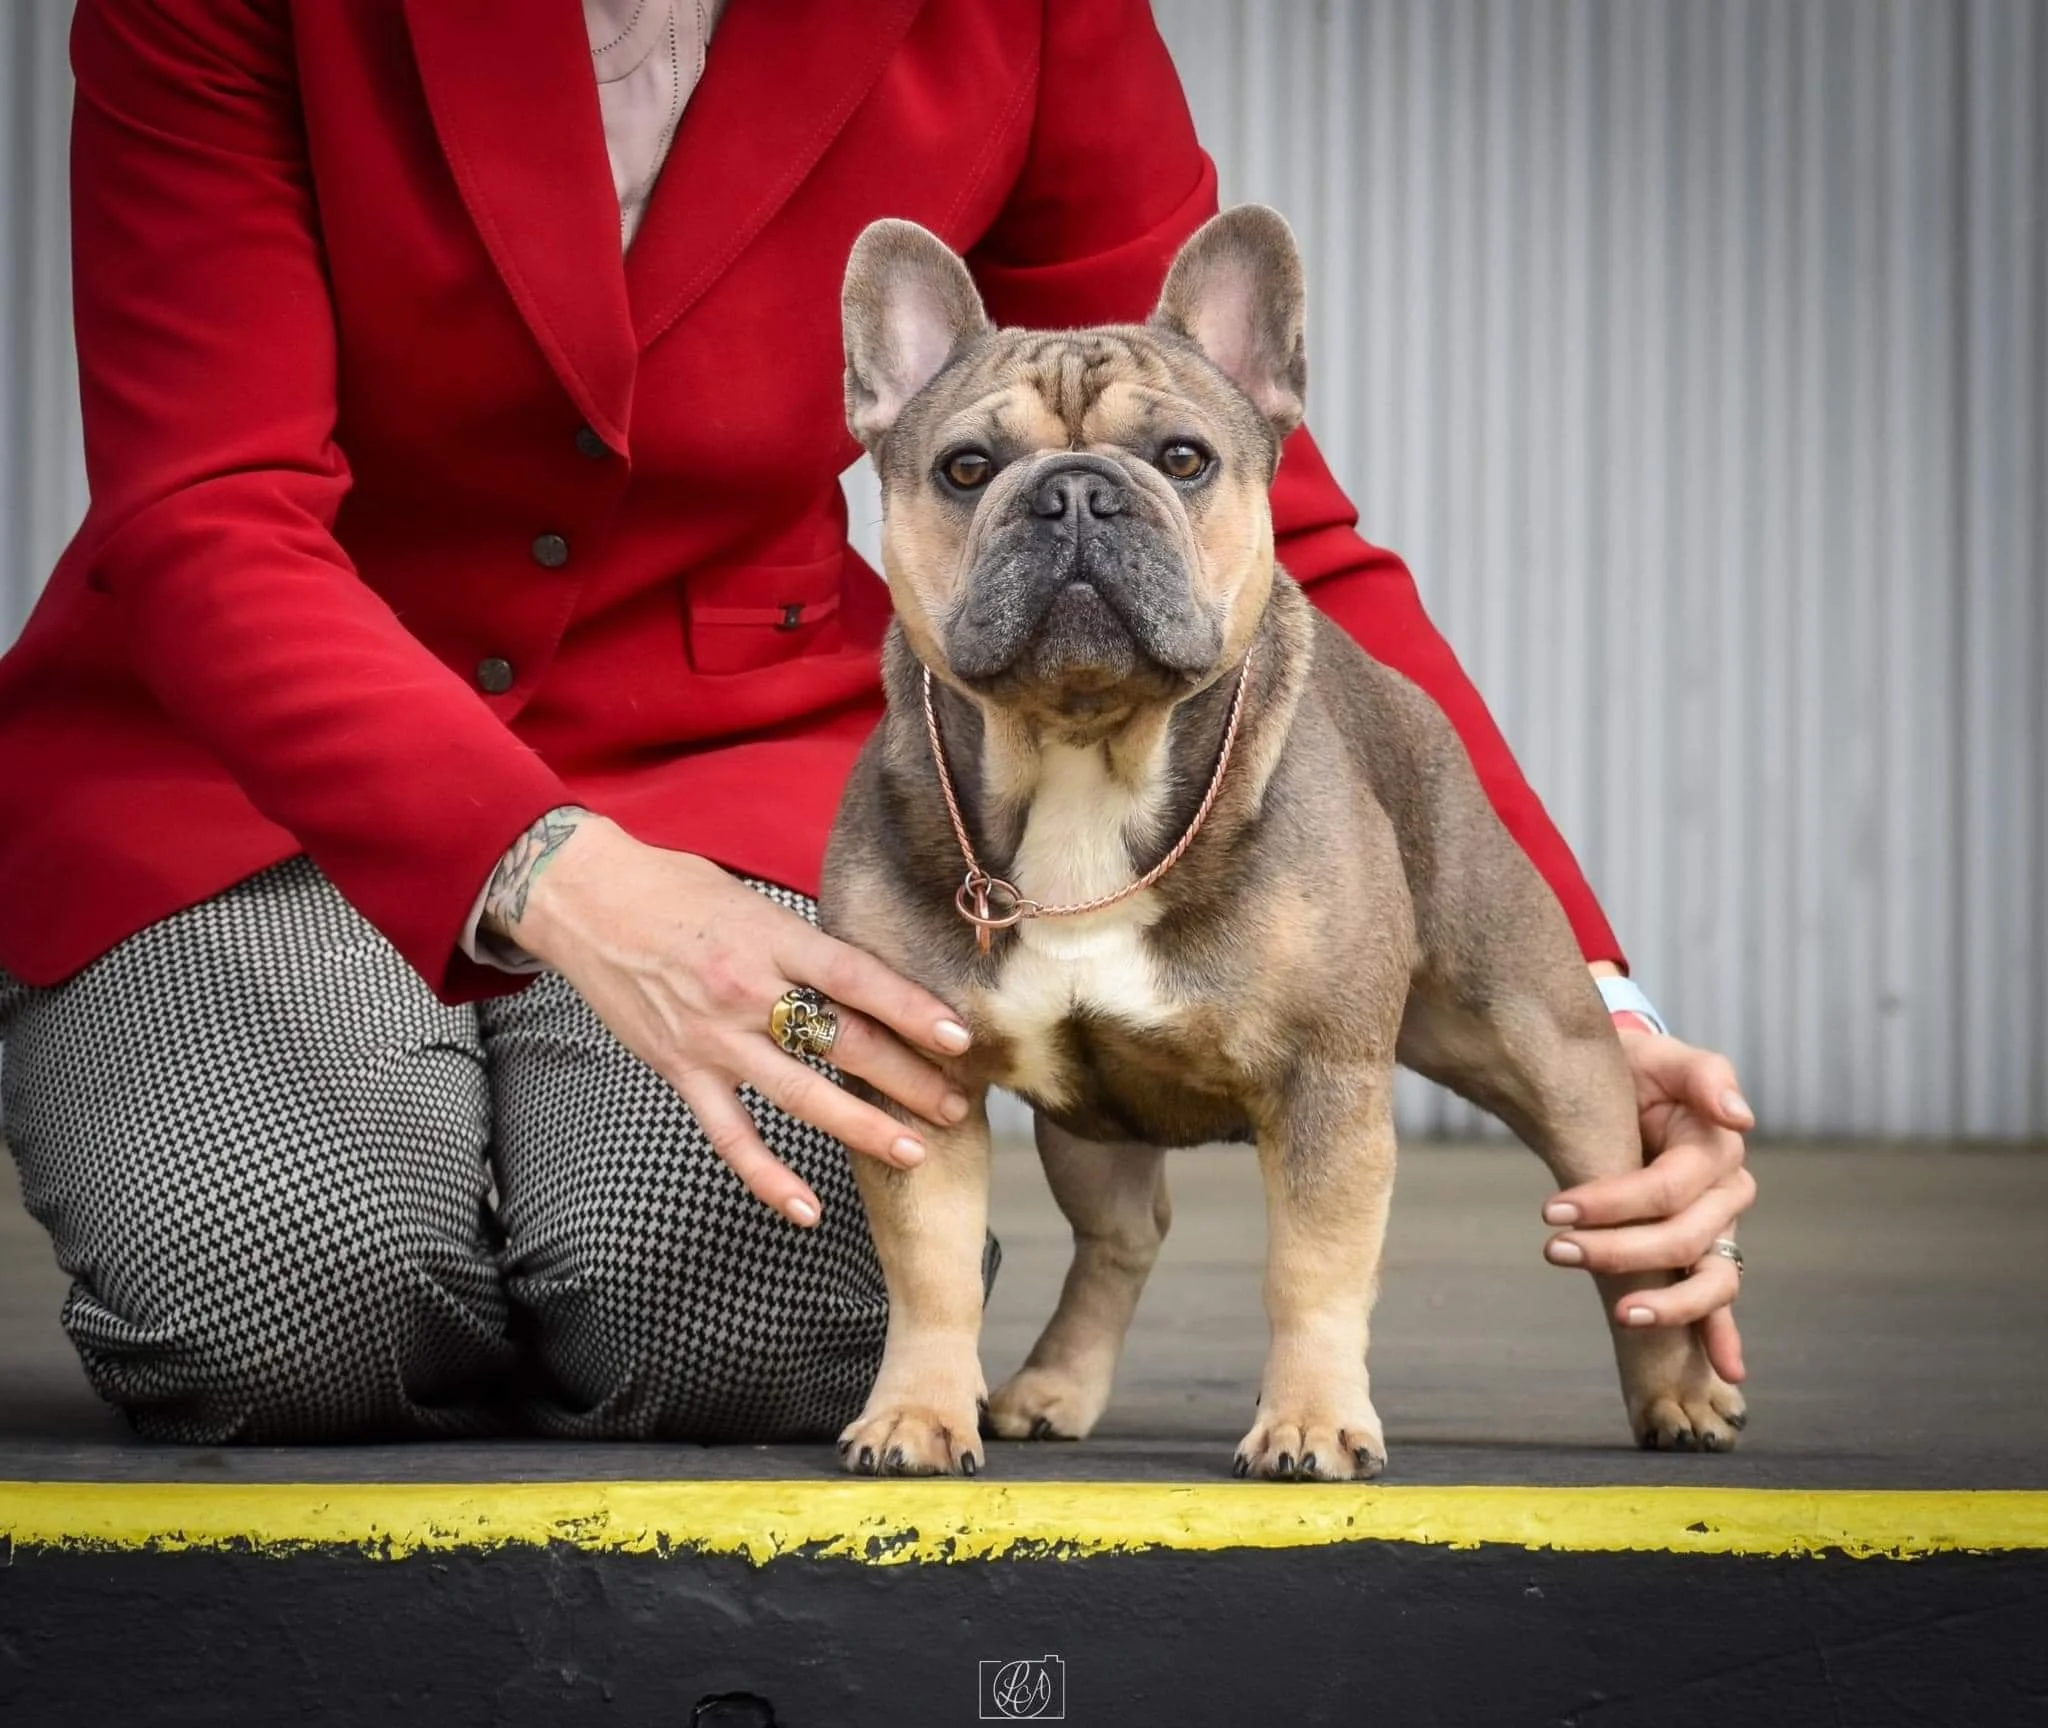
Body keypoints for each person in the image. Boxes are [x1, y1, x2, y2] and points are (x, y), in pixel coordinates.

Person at [0, 0, 1754, 1446]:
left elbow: (1248, 522)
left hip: (714, 753)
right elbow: (208, 507)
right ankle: (389, 1162)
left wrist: (1596, 1007)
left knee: (741, 1328)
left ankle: (489, 1204)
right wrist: (550, 872)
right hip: (249, 773)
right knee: (285, 1279)